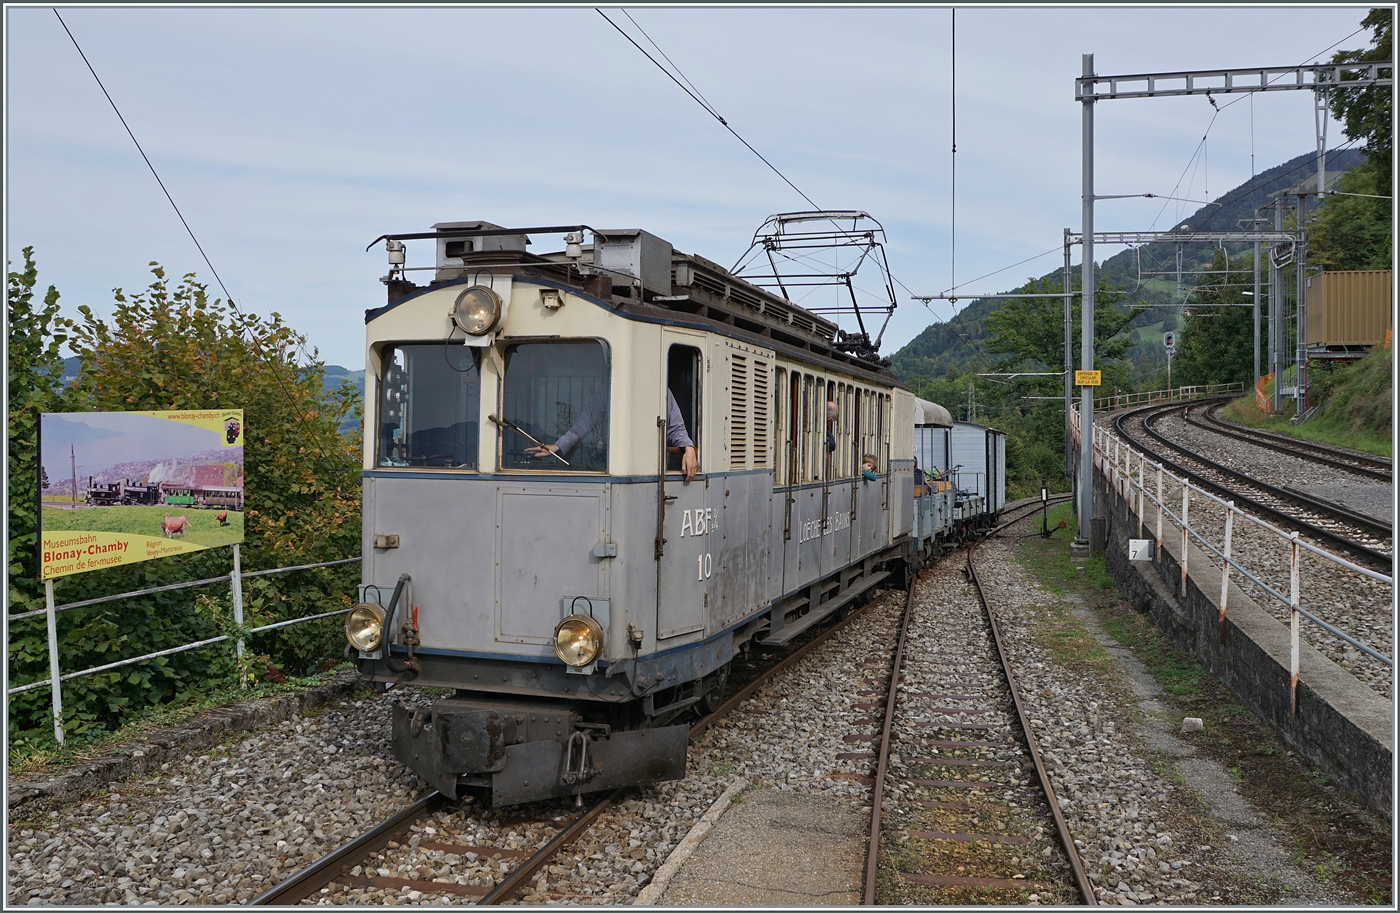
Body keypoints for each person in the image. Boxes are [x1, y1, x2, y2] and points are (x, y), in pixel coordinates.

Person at [527, 388, 698, 481]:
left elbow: (676, 428)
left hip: (651, 472)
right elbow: (583, 425)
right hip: (612, 467)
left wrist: (688, 449)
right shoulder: (605, 392)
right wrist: (558, 446)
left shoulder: (660, 391)